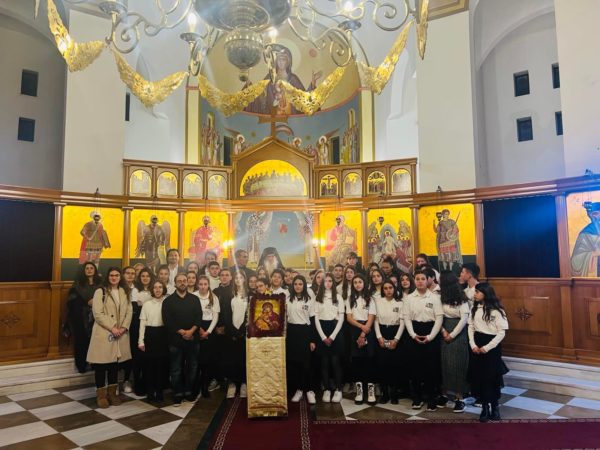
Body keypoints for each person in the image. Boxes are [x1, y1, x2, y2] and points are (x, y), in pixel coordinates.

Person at [87, 267, 132, 408]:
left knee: (114, 366)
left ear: (120, 277)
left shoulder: (124, 291)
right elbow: (98, 314)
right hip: (104, 332)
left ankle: (112, 394)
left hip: (120, 333)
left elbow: (129, 311)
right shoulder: (100, 292)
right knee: (101, 365)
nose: (114, 277)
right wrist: (112, 327)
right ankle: (101, 396)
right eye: (111, 275)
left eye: (117, 275)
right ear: (107, 277)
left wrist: (123, 327)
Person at [468, 283, 509, 422]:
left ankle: (495, 407)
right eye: (475, 292)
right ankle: (484, 407)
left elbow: (501, 332)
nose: (475, 294)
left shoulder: (497, 311)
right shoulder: (474, 309)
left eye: (477, 292)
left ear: (486, 293)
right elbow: (471, 327)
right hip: (477, 343)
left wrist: (487, 347)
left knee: (491, 377)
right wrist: (473, 344)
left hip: (491, 346)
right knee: (480, 377)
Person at [404, 269, 443, 411]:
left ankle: (431, 398)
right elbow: (406, 318)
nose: (420, 281)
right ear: (414, 281)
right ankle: (417, 398)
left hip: (431, 332)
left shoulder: (435, 298)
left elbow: (439, 318)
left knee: (431, 368)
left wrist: (430, 336)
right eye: (417, 279)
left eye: (423, 279)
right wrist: (413, 334)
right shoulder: (409, 298)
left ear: (428, 281)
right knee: (415, 367)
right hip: (414, 333)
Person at [162, 273, 203, 405]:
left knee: (192, 367)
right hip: (175, 340)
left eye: (184, 280)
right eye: (179, 281)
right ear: (175, 283)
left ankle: (189, 391)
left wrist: (191, 331)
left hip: (193, 339)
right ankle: (178, 393)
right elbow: (168, 321)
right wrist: (182, 332)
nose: (182, 283)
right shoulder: (168, 301)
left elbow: (199, 317)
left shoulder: (194, 299)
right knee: (176, 368)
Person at [439, 271, 470, 413]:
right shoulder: (440, 296)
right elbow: (438, 316)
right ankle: (445, 394)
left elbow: (464, 318)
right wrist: (443, 331)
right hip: (444, 330)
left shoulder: (461, 297)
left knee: (458, 364)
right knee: (445, 363)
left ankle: (459, 397)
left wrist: (452, 334)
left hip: (458, 333)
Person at [346, 273, 377, 405]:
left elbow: (371, 316)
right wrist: (360, 327)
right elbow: (349, 317)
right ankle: (359, 391)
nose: (357, 284)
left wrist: (364, 332)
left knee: (369, 360)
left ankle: (370, 390)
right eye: (355, 282)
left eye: (360, 282)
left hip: (368, 330)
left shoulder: (370, 298)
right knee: (357, 360)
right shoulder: (350, 298)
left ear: (364, 283)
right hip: (355, 329)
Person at [313, 273, 345, 403]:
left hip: (335, 330)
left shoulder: (338, 297)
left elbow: (341, 318)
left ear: (333, 283)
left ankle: (338, 389)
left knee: (335, 362)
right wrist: (322, 337)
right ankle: (326, 389)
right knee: (324, 362)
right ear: (322, 283)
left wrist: (332, 336)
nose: (328, 283)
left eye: (330, 281)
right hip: (322, 330)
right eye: (325, 281)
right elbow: (316, 317)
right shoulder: (318, 297)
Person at [287, 275, 317, 404]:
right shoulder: (288, 299)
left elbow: (313, 320)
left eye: (300, 284)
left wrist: (312, 339)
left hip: (305, 331)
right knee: (295, 364)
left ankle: (309, 390)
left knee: (306, 363)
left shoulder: (309, 299)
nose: (298, 286)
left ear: (304, 285)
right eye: (295, 284)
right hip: (292, 332)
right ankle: (299, 390)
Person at [67, 262, 101, 373]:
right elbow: (72, 302)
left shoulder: (100, 284)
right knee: (81, 341)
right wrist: (87, 303)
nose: (89, 270)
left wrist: (96, 301)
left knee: (96, 341)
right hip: (81, 318)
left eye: (92, 268)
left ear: (95, 270)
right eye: (87, 268)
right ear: (84, 270)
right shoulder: (77, 285)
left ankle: (95, 364)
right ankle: (81, 365)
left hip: (98, 317)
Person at [374, 280, 405, 404]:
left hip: (395, 333)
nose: (388, 290)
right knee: (382, 365)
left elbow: (402, 323)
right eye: (385, 288)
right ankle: (385, 393)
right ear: (383, 290)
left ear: (394, 288)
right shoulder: (378, 302)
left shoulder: (400, 303)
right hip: (382, 332)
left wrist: (396, 339)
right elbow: (375, 320)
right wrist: (379, 337)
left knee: (395, 365)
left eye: (390, 288)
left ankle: (394, 393)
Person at [138, 280, 169, 402]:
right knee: (149, 366)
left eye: (160, 287)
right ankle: (150, 391)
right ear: (152, 290)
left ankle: (159, 391)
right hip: (150, 335)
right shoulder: (147, 304)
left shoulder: (167, 303)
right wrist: (141, 341)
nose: (158, 289)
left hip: (163, 335)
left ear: (163, 289)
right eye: (155, 287)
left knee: (161, 366)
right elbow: (142, 323)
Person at [127, 267, 154, 396]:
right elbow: (134, 308)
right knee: (137, 356)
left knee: (149, 357)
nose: (145, 278)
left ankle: (148, 384)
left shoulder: (154, 289)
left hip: (151, 326)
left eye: (147, 276)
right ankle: (138, 384)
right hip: (136, 325)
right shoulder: (135, 290)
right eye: (143, 276)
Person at [224, 271, 250, 398]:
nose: (238, 279)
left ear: (244, 279)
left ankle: (244, 383)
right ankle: (233, 384)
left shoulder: (249, 295)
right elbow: (226, 313)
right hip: (232, 332)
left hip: (244, 332)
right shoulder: (229, 294)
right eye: (236, 278)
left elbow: (250, 314)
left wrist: (242, 329)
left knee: (244, 358)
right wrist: (232, 330)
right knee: (232, 359)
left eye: (241, 277)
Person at [194, 275, 220, 398]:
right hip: (196, 327)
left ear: (208, 285)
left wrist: (207, 332)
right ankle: (195, 385)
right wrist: (199, 329)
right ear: (197, 285)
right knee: (196, 359)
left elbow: (215, 317)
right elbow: (192, 314)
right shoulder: (193, 296)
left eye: (205, 284)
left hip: (209, 329)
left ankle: (205, 386)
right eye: (201, 284)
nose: (203, 286)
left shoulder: (213, 297)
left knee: (207, 360)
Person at [570, 201, 600, 277]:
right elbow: (575, 261)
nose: (596, 217)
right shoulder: (585, 233)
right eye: (594, 214)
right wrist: (593, 254)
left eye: (597, 214)